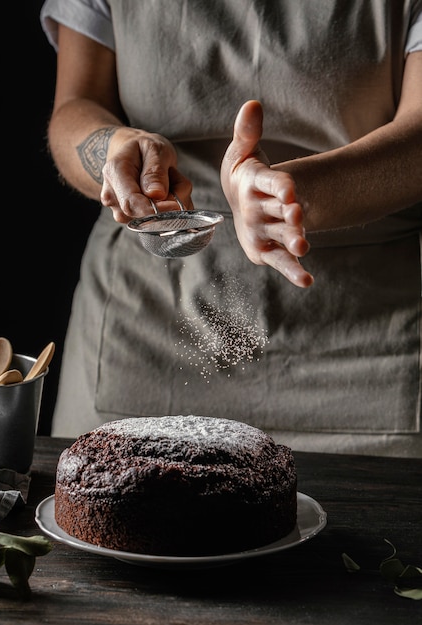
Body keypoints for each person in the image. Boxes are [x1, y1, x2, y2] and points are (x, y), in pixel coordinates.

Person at [40, 0, 422, 457]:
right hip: (145, 328)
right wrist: (116, 149)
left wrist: (292, 192)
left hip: (366, 345)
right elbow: (76, 104)